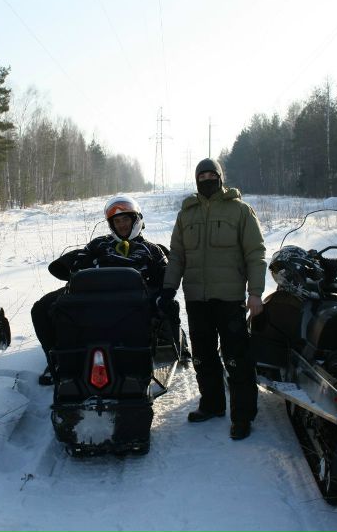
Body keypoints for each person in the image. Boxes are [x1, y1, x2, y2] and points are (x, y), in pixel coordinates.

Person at [159, 158, 266, 441]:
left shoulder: (240, 210)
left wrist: (255, 293)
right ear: (196, 180)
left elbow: (255, 254)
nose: (207, 179)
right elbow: (177, 255)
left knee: (236, 359)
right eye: (202, 175)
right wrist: (169, 288)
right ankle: (212, 405)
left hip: (230, 299)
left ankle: (242, 416)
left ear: (220, 177)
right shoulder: (186, 214)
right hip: (196, 299)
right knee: (204, 357)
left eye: (212, 174)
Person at [32, 195, 170, 385]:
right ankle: (56, 359)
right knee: (41, 308)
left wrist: (160, 297)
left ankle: (161, 346)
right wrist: (77, 266)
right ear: (111, 224)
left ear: (136, 220)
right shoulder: (99, 244)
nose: (122, 225)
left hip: (133, 304)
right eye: (117, 221)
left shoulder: (151, 249)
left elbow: (165, 277)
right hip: (93, 300)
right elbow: (78, 264)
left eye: (126, 219)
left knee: (168, 306)